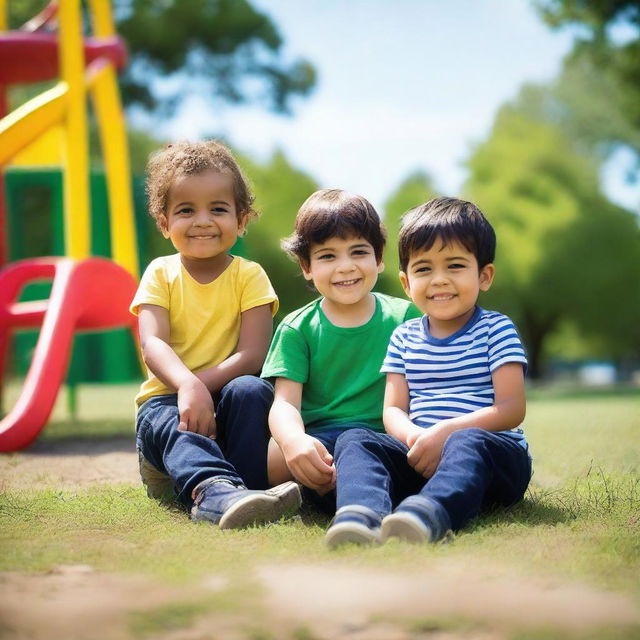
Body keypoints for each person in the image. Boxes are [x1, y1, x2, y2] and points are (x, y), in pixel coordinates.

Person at [327, 196, 531, 546]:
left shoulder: (496, 330)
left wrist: (446, 433)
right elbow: (392, 409)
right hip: (422, 455)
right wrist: (414, 438)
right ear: (407, 284)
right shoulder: (404, 336)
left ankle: (429, 513)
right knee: (355, 438)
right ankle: (362, 514)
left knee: (468, 441)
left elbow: (511, 408)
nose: (438, 280)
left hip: (494, 461)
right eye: (424, 269)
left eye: (454, 266)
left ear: (484, 276)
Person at [130, 140, 300, 529]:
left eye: (218, 209)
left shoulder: (249, 275)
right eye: (186, 210)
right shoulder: (160, 273)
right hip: (170, 402)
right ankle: (211, 490)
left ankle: (250, 490)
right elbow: (152, 343)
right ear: (164, 223)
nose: (203, 220)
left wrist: (203, 386)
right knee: (169, 419)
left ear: (241, 221)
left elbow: (254, 354)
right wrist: (187, 386)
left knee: (253, 390)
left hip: (224, 400)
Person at [261, 189, 419, 546]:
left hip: (385, 441)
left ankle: (356, 505)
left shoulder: (405, 317)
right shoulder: (297, 328)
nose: (345, 266)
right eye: (327, 256)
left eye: (359, 252)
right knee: (275, 453)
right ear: (307, 267)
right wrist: (294, 441)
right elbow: (285, 403)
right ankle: (325, 493)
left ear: (379, 259)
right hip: (323, 445)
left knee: (373, 452)